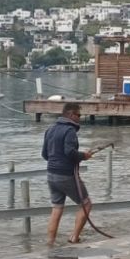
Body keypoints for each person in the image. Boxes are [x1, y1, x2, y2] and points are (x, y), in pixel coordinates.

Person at [41, 102, 94, 244]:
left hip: (51, 175)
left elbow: (45, 154)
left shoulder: (50, 129)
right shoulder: (69, 130)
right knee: (86, 204)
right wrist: (84, 156)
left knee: (57, 208)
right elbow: (69, 152)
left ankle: (50, 242)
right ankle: (74, 238)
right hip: (66, 175)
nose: (80, 118)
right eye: (78, 115)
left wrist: (57, 160)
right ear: (70, 115)